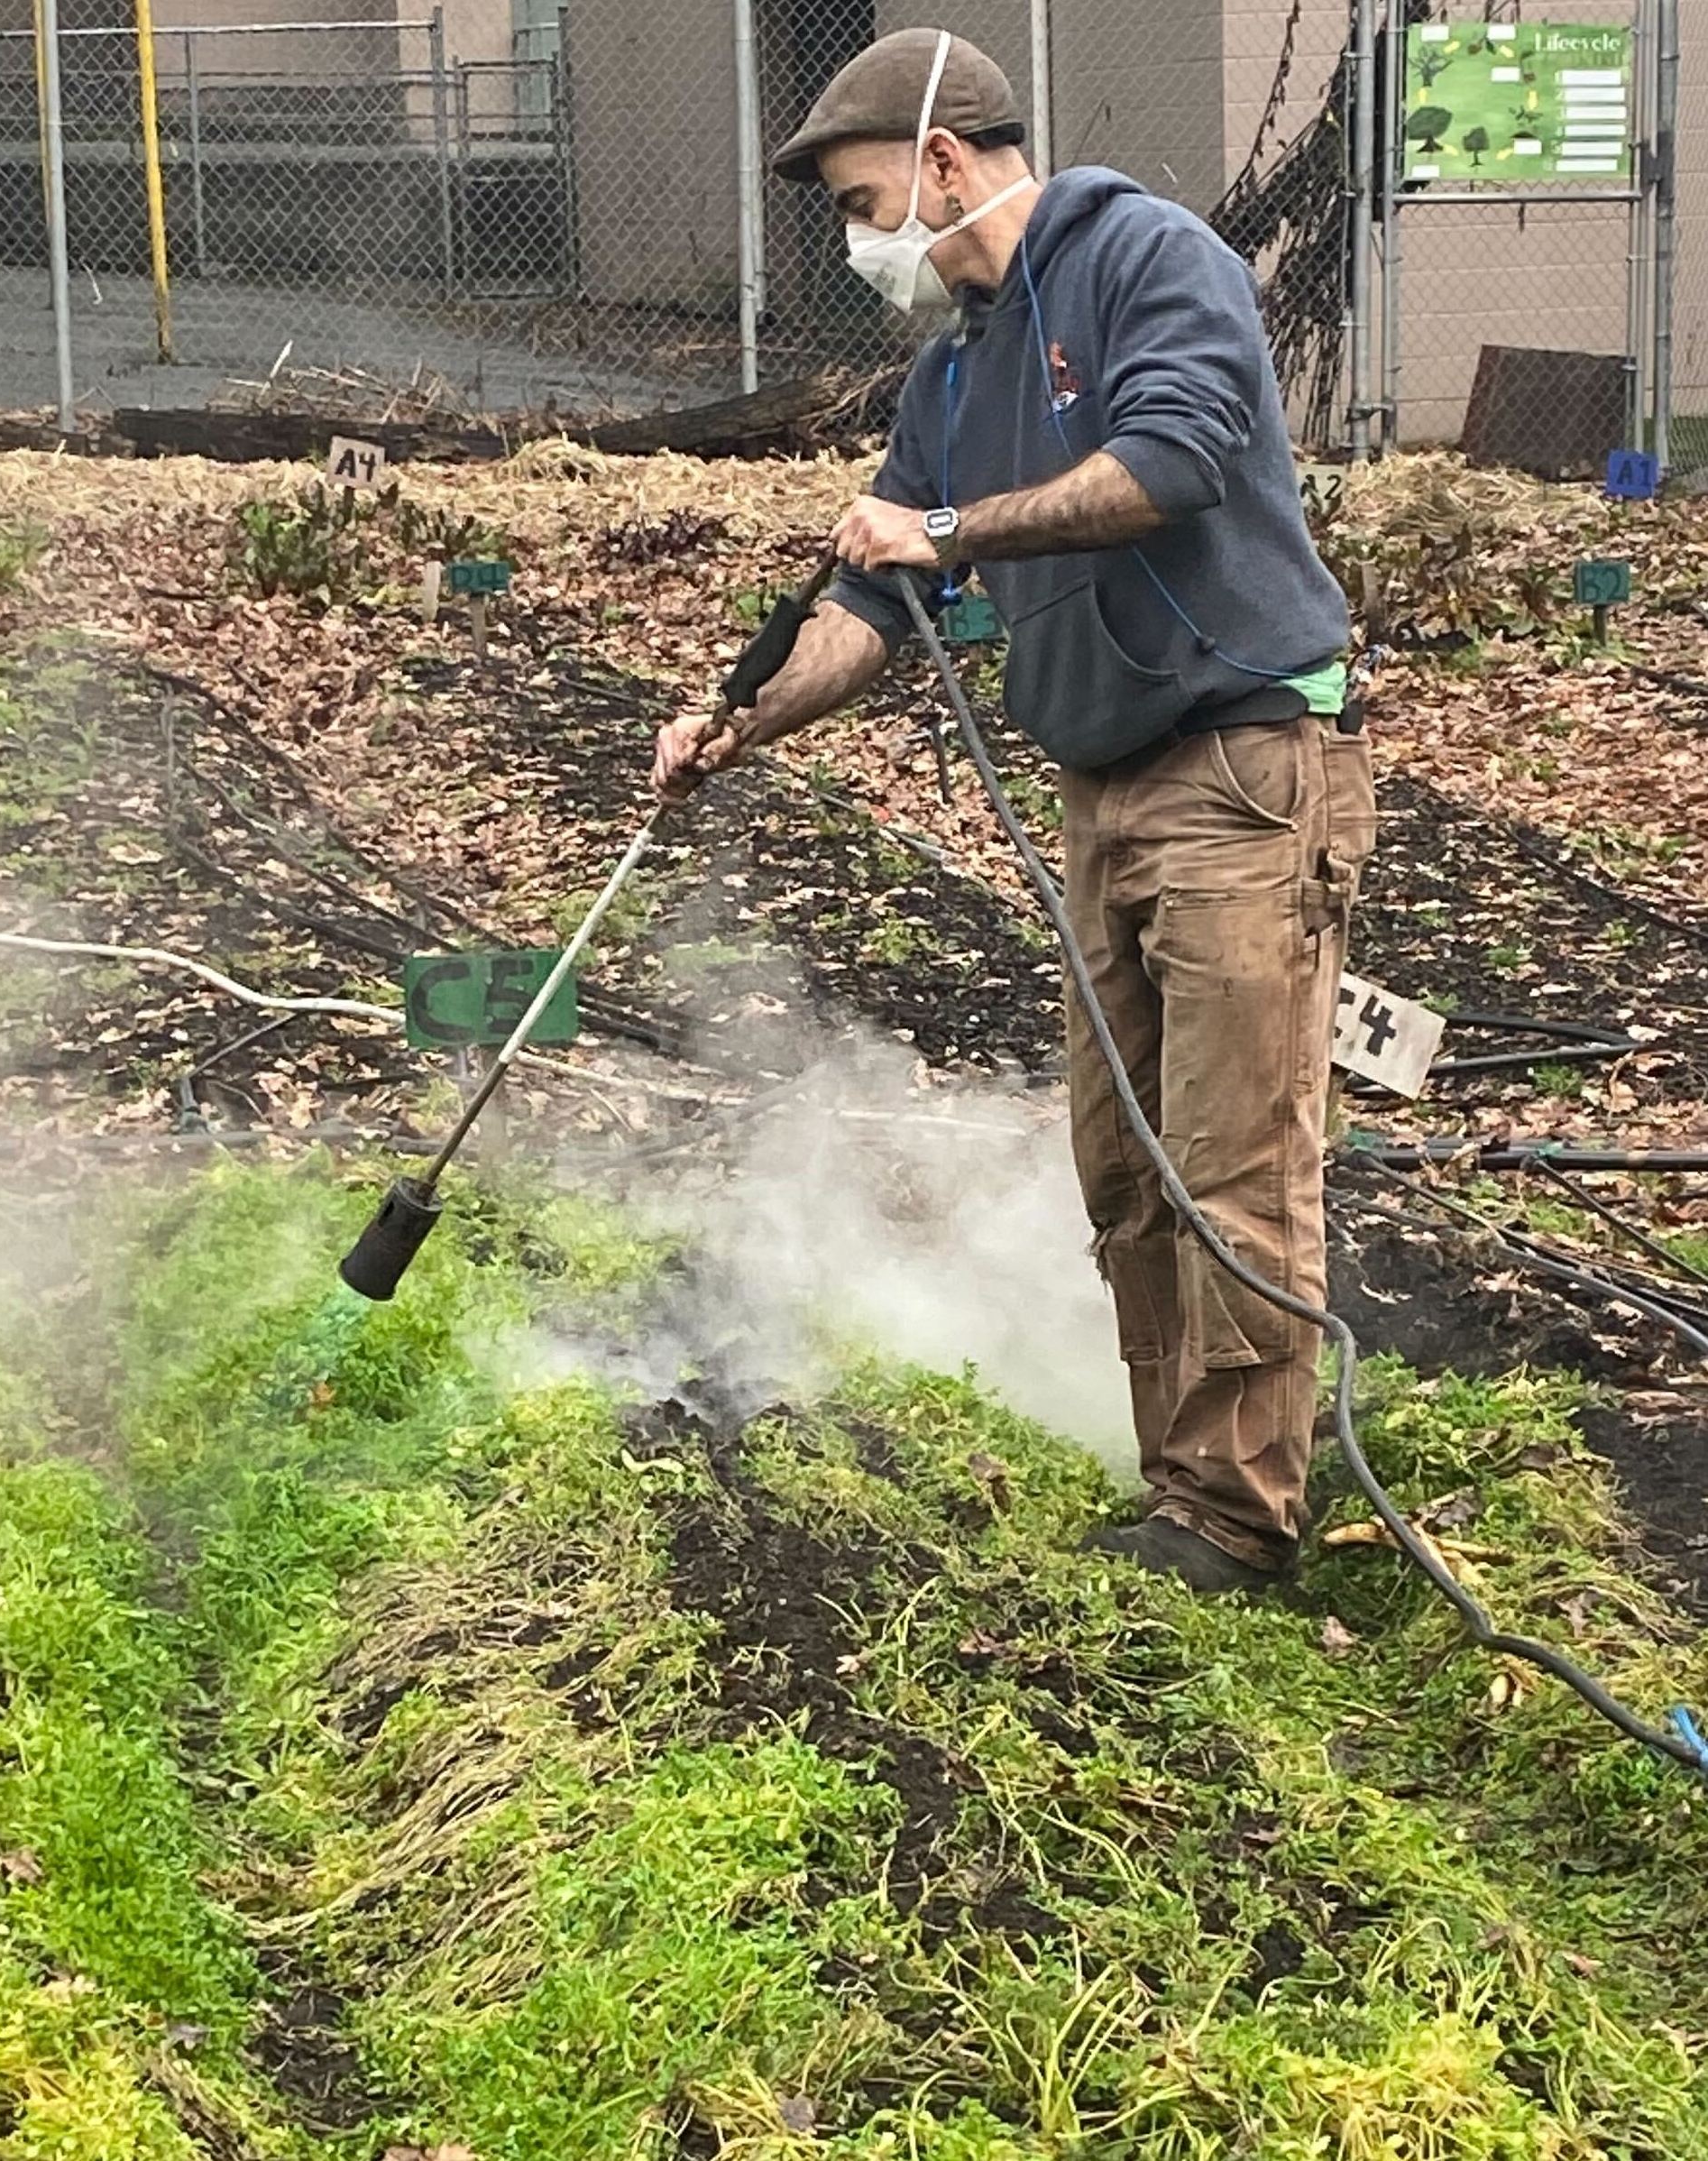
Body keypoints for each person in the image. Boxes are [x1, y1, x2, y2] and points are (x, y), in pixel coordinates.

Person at [651, 27, 1376, 1595]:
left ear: (940, 163)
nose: (863, 244)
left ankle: (1237, 1516)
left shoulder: (1150, 261)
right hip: (1103, 784)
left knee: (1233, 1157)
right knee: (1123, 1162)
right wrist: (740, 718)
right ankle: (1179, 1477)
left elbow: (1172, 462)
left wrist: (952, 527)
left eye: (863, 206)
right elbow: (874, 600)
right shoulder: (955, 371)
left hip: (1244, 765)